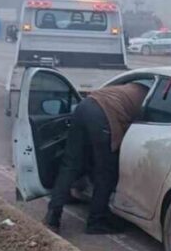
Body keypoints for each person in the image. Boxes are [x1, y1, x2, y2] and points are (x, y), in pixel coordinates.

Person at [44, 81, 149, 235]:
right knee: (106, 172)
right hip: (103, 114)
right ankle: (96, 221)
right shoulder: (151, 98)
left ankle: (53, 216)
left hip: (85, 106)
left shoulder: (129, 87)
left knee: (70, 164)